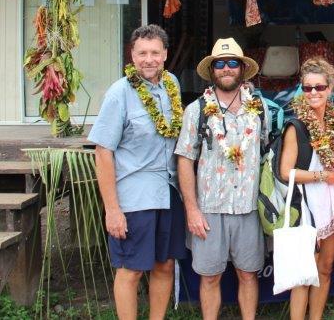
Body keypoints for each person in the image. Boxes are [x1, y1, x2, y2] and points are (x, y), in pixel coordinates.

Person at [90, 24, 186, 320]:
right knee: (131, 270)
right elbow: (103, 151)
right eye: (142, 53)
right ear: (132, 55)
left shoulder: (172, 85)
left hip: (168, 191)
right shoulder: (119, 93)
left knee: (165, 265)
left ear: (165, 55)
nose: (149, 59)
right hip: (135, 195)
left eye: (155, 53)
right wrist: (112, 210)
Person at [175, 38, 268, 320]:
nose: (226, 68)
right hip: (209, 210)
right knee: (210, 277)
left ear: (242, 69)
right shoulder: (197, 109)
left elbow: (265, 152)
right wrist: (192, 209)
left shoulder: (259, 108)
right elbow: (184, 159)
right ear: (212, 70)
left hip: (248, 208)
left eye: (232, 63)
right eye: (220, 63)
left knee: (248, 274)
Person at [278, 57, 334, 320]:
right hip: (306, 205)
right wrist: (319, 175)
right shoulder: (296, 125)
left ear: (330, 89)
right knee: (303, 274)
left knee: (325, 268)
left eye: (319, 87)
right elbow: (286, 172)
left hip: (333, 203)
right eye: (307, 88)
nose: (313, 93)